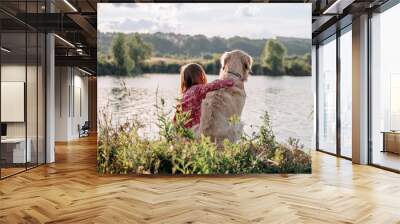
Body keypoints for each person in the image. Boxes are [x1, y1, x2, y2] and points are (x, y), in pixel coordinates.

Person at [174, 63, 234, 135]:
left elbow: (176, 116)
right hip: (194, 129)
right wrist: (231, 81)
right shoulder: (198, 89)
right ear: (200, 76)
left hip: (182, 129)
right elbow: (213, 85)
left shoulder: (185, 94)